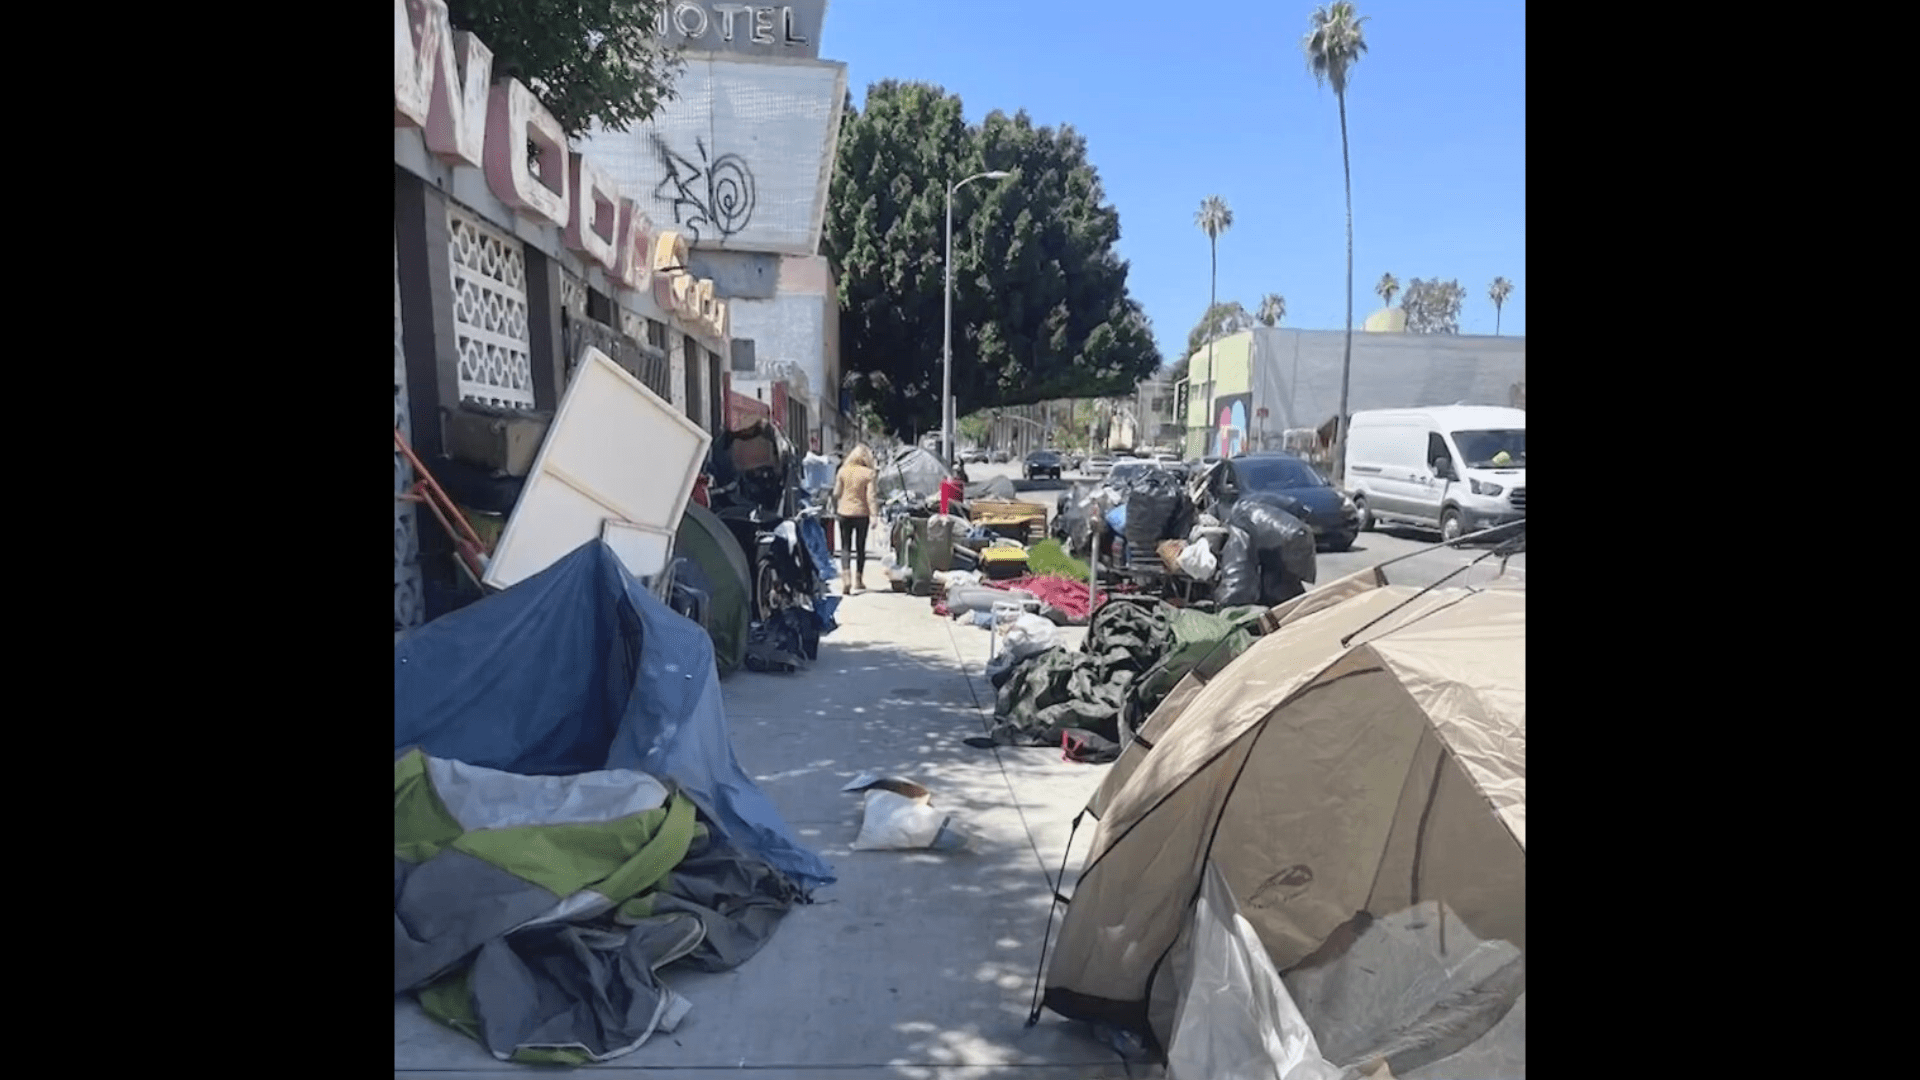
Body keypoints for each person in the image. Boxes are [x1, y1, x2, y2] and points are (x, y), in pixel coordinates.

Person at [832, 444, 881, 594]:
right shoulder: (869, 474)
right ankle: (858, 580)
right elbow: (871, 497)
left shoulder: (842, 471)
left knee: (845, 547)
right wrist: (874, 515)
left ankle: (846, 579)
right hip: (861, 514)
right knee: (860, 548)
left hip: (844, 513)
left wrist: (835, 507)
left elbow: (836, 493)